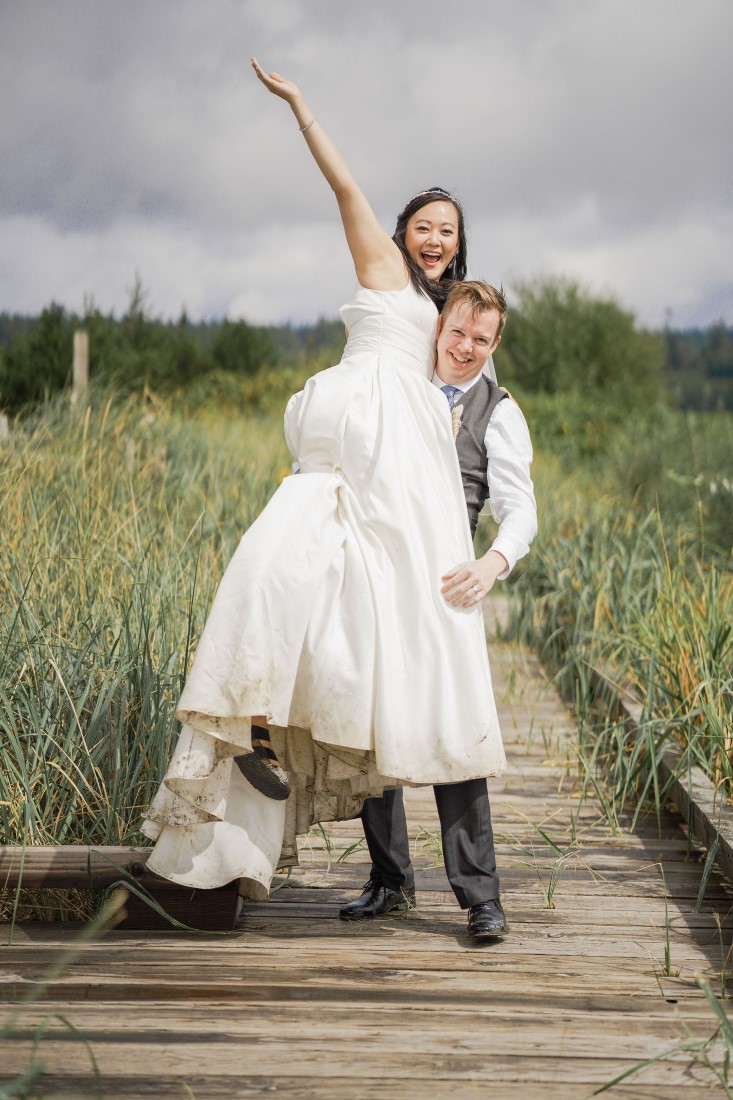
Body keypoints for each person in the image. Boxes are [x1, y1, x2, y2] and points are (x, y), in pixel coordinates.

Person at [142, 62, 506, 904]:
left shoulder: (453, 313)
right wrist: (302, 109)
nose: (436, 236)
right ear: (401, 230)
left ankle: (430, 882)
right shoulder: (380, 267)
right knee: (284, 573)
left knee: (374, 640)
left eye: (449, 229)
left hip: (408, 484)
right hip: (350, 457)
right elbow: (344, 186)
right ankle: (258, 733)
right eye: (424, 223)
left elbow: (467, 373)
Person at [340, 280, 537, 938]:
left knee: (456, 738)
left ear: (495, 343)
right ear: (436, 328)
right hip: (379, 581)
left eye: (480, 339)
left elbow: (520, 509)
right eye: (456, 333)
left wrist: (492, 563)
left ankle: (481, 897)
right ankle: (389, 881)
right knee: (378, 726)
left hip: (450, 588)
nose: (465, 348)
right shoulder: (398, 390)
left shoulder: (498, 411)